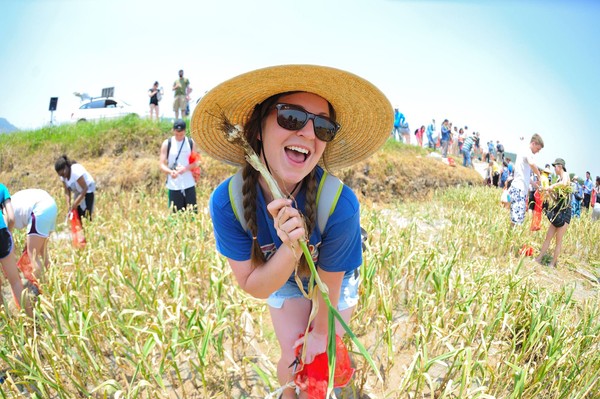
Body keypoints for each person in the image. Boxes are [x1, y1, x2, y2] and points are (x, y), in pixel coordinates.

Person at [191, 64, 392, 399]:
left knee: (320, 350)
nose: (309, 134)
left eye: (323, 127)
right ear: (258, 129)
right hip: (279, 273)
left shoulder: (340, 206)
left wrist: (319, 331)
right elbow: (253, 283)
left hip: (332, 279)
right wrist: (290, 248)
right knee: (292, 352)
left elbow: (328, 290)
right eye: (292, 118)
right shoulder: (229, 203)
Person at [9, 189, 58, 284]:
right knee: (43, 252)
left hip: (40, 210)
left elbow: (9, 242)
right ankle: (54, 282)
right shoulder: (9, 201)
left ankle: (43, 287)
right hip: (51, 205)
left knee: (33, 255)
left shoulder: (3, 214)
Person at [0, 184, 32, 316]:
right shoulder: (1, 188)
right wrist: (8, 233)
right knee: (15, 281)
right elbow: (11, 218)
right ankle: (33, 322)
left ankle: (6, 324)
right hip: (1, 234)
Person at [536, 158, 571, 268]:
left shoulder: (565, 175)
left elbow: (564, 184)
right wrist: (548, 191)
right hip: (557, 211)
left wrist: (551, 187)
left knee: (558, 240)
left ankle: (552, 263)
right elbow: (556, 198)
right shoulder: (557, 181)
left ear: (559, 166)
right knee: (548, 237)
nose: (554, 169)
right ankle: (539, 258)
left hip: (565, 212)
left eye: (555, 166)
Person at [159, 119, 198, 212]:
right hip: (174, 185)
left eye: (181, 134)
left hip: (189, 183)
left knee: (192, 214)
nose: (179, 136)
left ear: (185, 131)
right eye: (177, 134)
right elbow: (161, 164)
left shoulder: (190, 143)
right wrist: (170, 171)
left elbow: (196, 162)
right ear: (173, 131)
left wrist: (185, 169)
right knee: (175, 215)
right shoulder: (167, 143)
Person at [508, 133, 544, 226]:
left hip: (520, 188)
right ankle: (512, 239)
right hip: (519, 189)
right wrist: (539, 176)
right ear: (533, 143)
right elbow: (532, 163)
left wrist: (534, 184)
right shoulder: (527, 151)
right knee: (517, 220)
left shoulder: (524, 151)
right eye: (538, 149)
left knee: (516, 218)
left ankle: (511, 238)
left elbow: (524, 174)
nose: (538, 152)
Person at [55, 155, 96, 223]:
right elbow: (67, 191)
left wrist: (75, 203)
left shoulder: (75, 171)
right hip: (78, 191)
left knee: (86, 215)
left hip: (88, 189)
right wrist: (68, 204)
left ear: (66, 167)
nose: (62, 176)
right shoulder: (63, 176)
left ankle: (88, 230)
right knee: (77, 215)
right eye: (60, 175)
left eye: (63, 173)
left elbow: (85, 188)